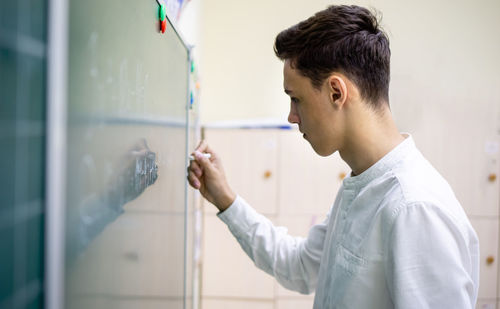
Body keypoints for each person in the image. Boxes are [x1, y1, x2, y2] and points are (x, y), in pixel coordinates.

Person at [187, 5, 479, 309]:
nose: (292, 116)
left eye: (296, 99)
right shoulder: (364, 185)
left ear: (336, 92)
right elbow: (300, 266)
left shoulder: (413, 208)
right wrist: (226, 200)